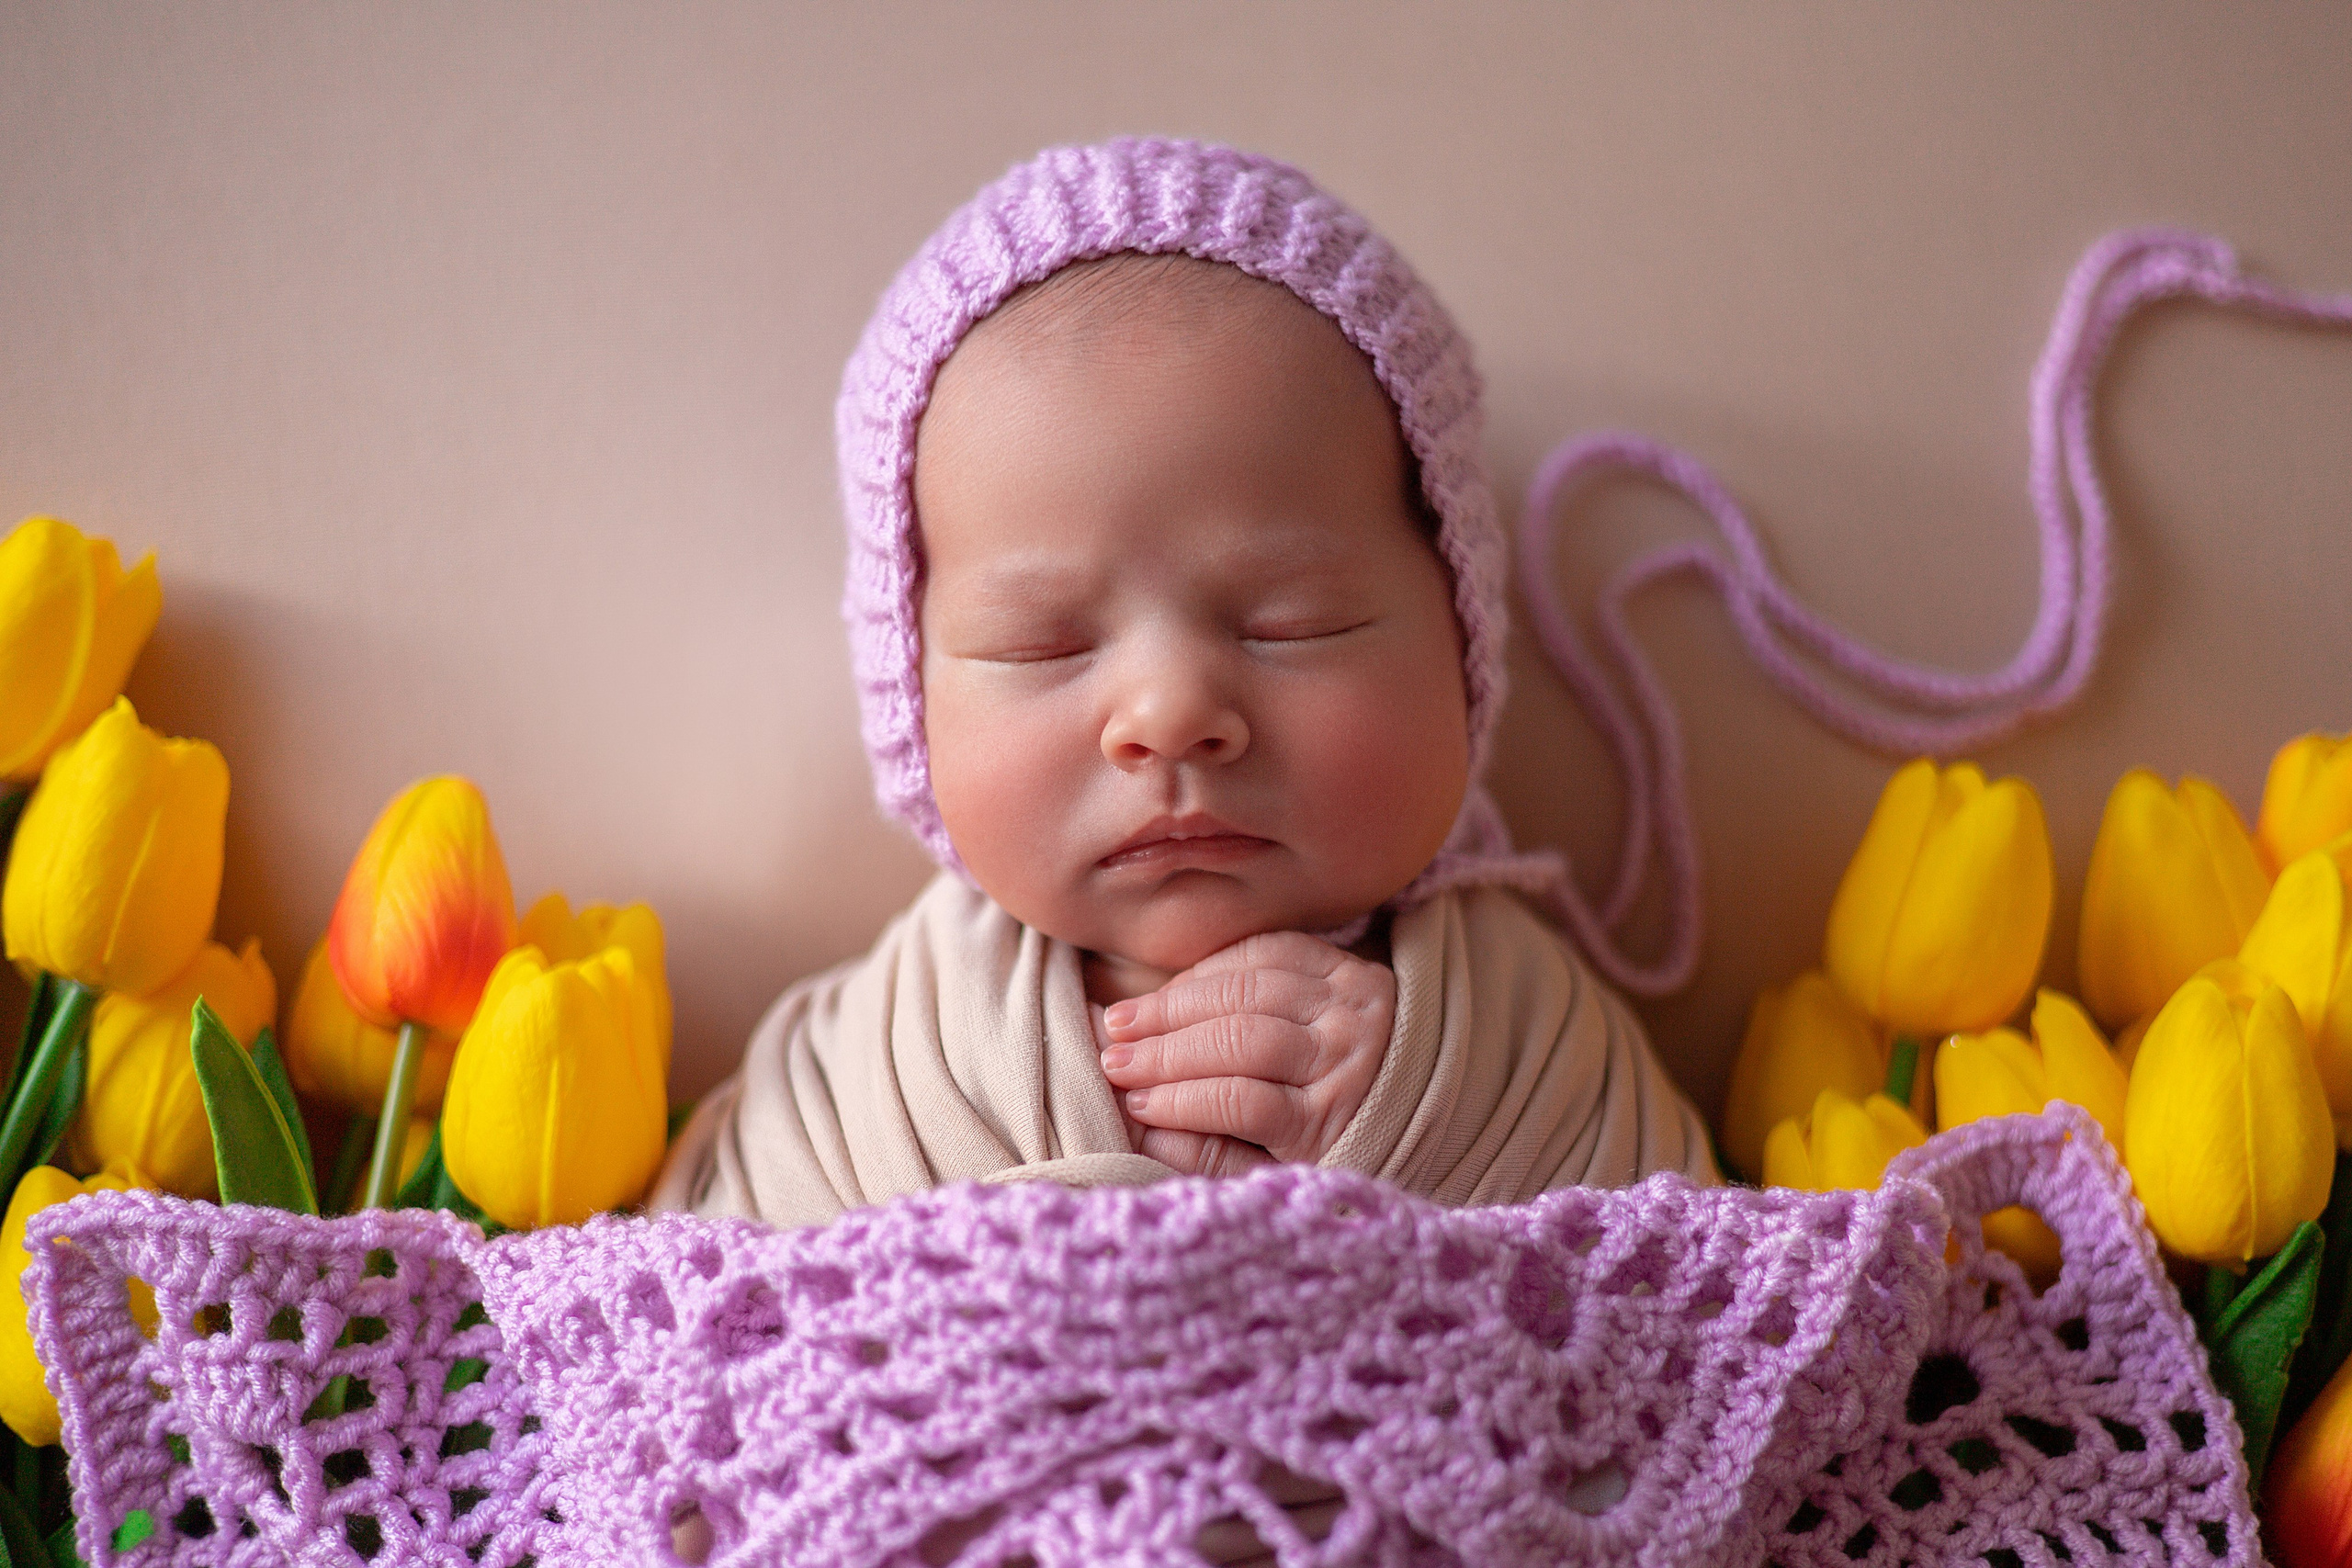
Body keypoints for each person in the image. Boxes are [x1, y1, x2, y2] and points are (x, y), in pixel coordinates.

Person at [652, 136, 1714, 1227]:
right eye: (1041, 643)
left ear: (1461, 633)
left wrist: (1423, 1114)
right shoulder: (873, 1056)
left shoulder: (1526, 1034)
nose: (1169, 716)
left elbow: (1670, 1276)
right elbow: (716, 1286)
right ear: (912, 694)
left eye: (1291, 623)